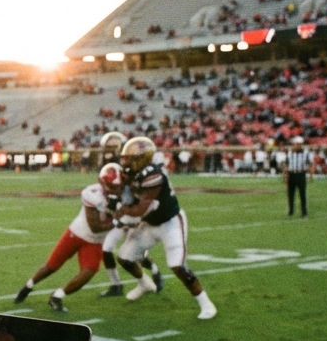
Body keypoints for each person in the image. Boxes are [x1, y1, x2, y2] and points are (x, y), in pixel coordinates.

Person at [114, 136, 217, 320]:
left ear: (141, 158)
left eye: (129, 157)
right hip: (150, 223)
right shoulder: (130, 172)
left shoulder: (153, 175)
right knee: (124, 258)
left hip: (170, 223)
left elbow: (139, 210)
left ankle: (206, 304)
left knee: (177, 265)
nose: (125, 160)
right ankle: (145, 284)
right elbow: (127, 199)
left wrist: (121, 212)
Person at [14, 163, 119, 312]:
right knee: (52, 266)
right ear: (101, 182)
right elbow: (95, 227)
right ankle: (29, 285)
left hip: (95, 242)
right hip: (76, 234)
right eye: (111, 185)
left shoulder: (127, 195)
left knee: (90, 270)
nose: (115, 189)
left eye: (117, 186)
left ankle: (57, 296)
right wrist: (117, 221)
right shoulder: (93, 194)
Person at [284, 135, 310, 217]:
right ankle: (291, 210)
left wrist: (311, 175)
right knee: (290, 193)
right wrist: (285, 176)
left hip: (301, 174)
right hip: (291, 174)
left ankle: (304, 211)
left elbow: (310, 163)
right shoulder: (289, 153)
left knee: (302, 193)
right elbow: (286, 165)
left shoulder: (305, 153)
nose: (297, 145)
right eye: (295, 144)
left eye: (298, 144)